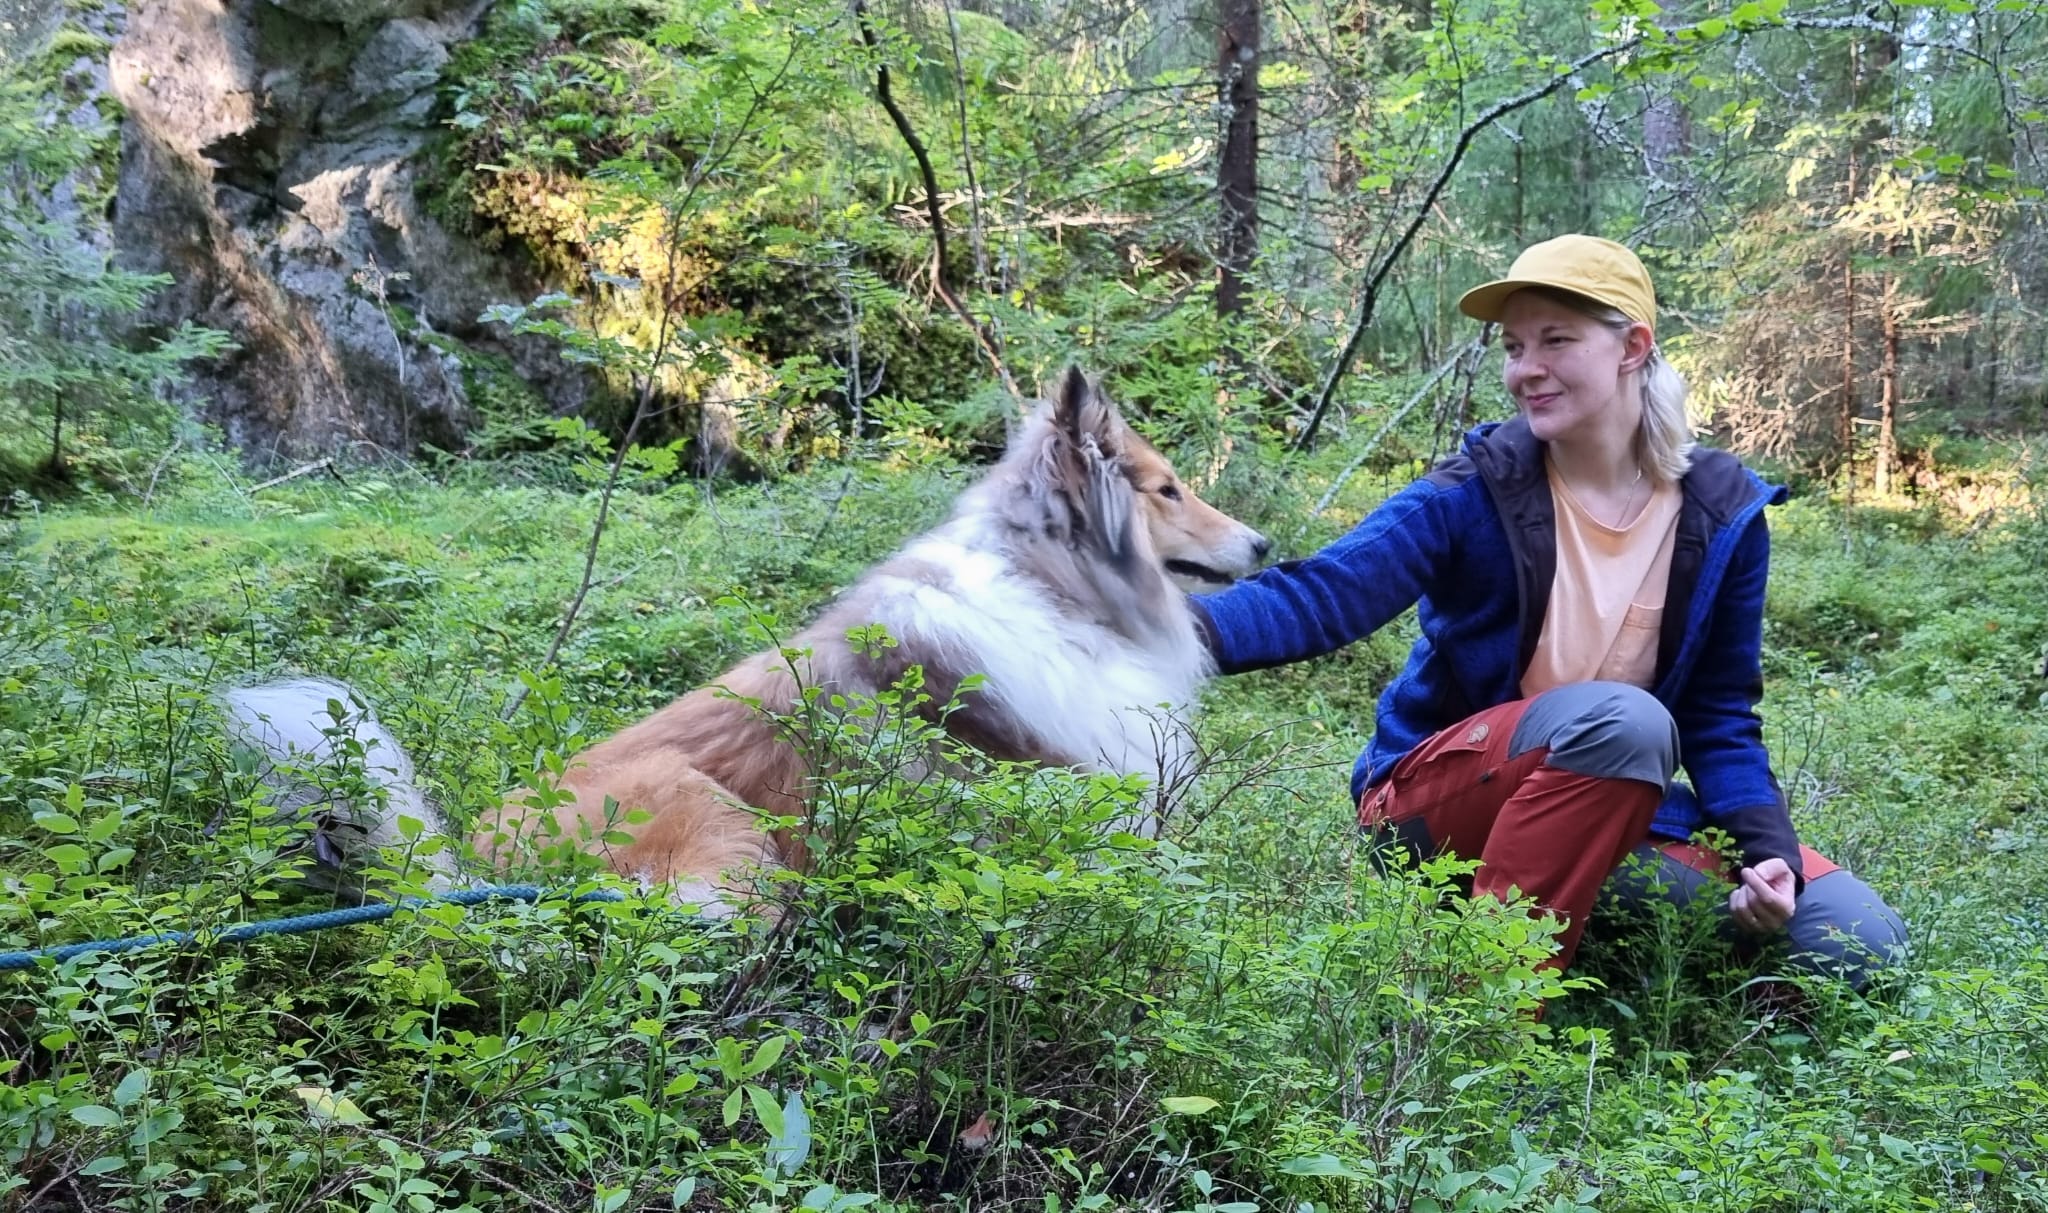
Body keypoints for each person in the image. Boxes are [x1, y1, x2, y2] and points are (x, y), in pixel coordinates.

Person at [1190, 234, 1904, 988]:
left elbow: (1719, 714)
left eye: (1555, 340)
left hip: (1614, 802)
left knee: (1854, 936)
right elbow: (1328, 591)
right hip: (1432, 805)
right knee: (1627, 722)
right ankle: (1488, 1009)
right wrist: (1164, 627)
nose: (1525, 369)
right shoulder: (1479, 489)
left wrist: (1768, 855)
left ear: (1632, 346)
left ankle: (1630, 952)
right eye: (1513, 345)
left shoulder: (1721, 515)